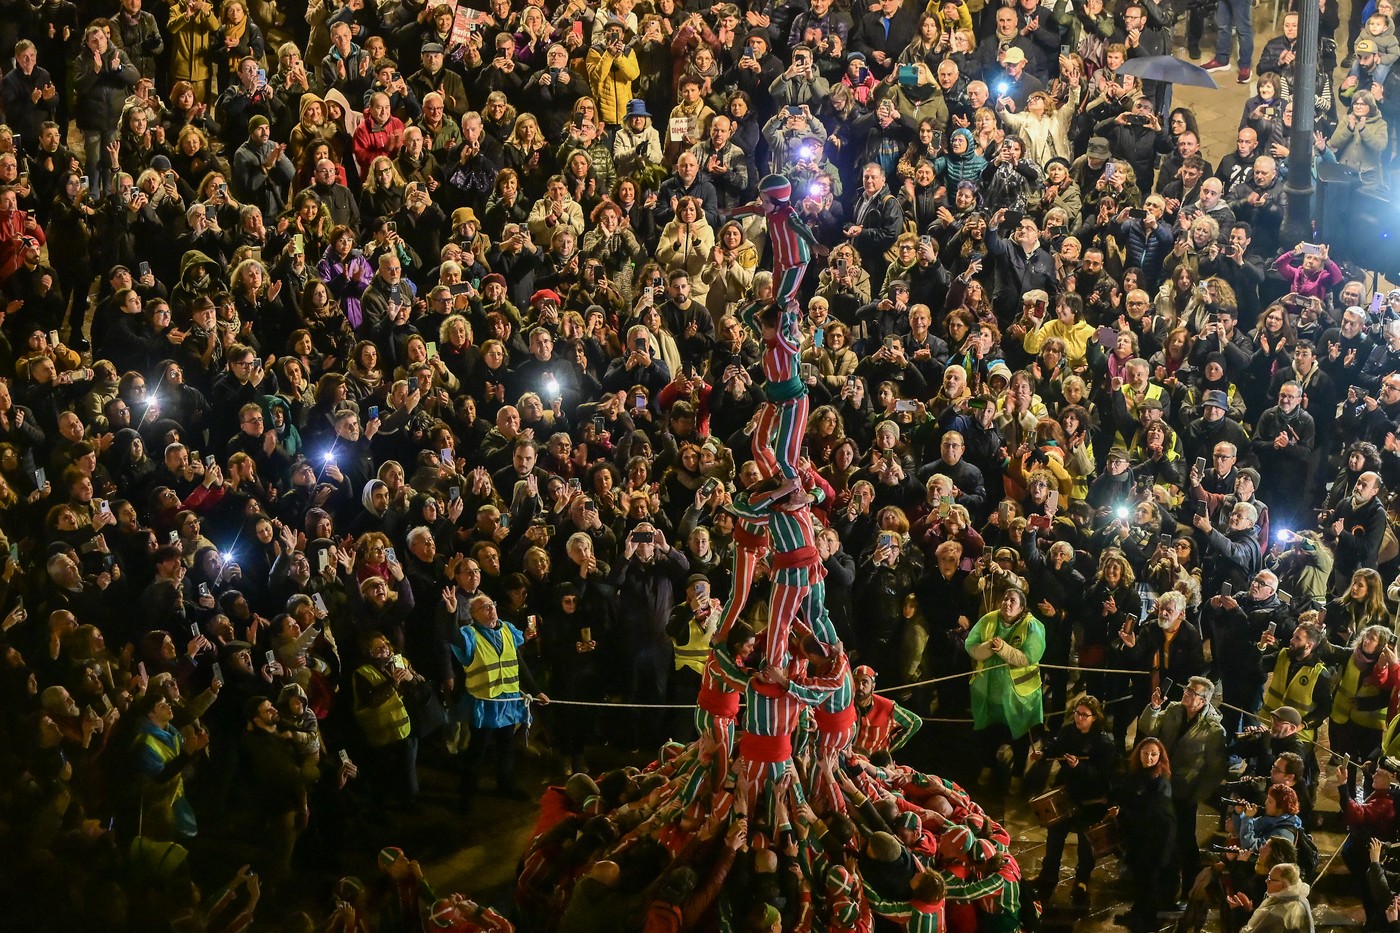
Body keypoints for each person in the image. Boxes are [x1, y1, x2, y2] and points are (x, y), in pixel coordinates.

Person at [448, 591, 548, 812]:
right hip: (484, 702)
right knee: (478, 750)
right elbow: (452, 636)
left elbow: (519, 664)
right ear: (473, 614)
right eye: (484, 607)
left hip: (508, 700)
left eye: (491, 603)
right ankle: (466, 794)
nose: (491, 608)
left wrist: (536, 691)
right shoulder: (469, 634)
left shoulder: (507, 631)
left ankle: (505, 784)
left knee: (507, 746)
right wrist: (451, 611)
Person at [1137, 675, 1228, 903]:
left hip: (1185, 792)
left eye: (1192, 692)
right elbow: (1149, 728)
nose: (1186, 693)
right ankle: (1164, 885)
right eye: (1186, 689)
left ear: (1203, 700)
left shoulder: (1213, 729)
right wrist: (1154, 708)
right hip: (1162, 784)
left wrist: (1196, 795)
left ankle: (1190, 886)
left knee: (1185, 841)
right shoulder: (1174, 710)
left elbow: (1215, 770)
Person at [1032, 695, 1118, 905]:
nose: (1079, 718)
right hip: (1067, 793)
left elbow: (1104, 776)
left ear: (1095, 717)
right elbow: (1056, 745)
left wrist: (1080, 767)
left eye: (1084, 715)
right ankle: (1048, 875)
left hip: (1090, 800)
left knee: (1085, 844)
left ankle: (1082, 880)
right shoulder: (1069, 731)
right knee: (1055, 836)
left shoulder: (1104, 742)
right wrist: (1043, 754)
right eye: (1077, 713)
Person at [964, 586, 1045, 786]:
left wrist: (1003, 649)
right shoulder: (989, 619)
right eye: (1005, 599)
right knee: (989, 733)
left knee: (1019, 736)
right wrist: (989, 646)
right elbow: (971, 646)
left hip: (1019, 696)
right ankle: (989, 765)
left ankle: (1017, 773)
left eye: (1013, 601)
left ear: (1022, 607)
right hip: (989, 692)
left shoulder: (1033, 626)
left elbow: (1028, 657)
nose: (1007, 603)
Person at [1115, 736, 1176, 933]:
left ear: (1160, 757)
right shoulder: (1136, 774)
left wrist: (1124, 813)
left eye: (1153, 754)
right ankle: (1137, 911)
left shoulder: (1162, 782)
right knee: (1139, 876)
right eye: (1145, 753)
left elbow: (1152, 811)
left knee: (1149, 878)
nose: (1148, 758)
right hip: (1139, 834)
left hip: (1156, 838)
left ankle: (1149, 920)